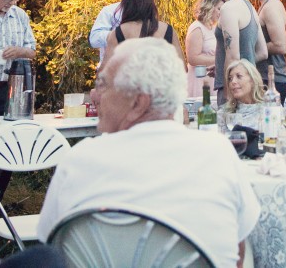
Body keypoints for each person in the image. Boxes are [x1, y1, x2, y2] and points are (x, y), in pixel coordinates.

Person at [36, 38, 260, 265]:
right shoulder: (218, 153)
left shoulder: (78, 161)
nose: (94, 95)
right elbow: (237, 252)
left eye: (103, 85)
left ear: (138, 103)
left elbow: (51, 245)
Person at [214, 0, 267, 104]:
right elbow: (262, 52)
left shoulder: (229, 8)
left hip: (234, 92)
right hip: (248, 87)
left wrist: (228, 95)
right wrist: (219, 62)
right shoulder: (249, 7)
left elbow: (233, 56)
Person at [99, 0, 183, 68]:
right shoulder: (168, 30)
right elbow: (182, 67)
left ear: (126, 6)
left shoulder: (119, 32)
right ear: (151, 5)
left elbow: (104, 70)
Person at [88, 0, 159, 64]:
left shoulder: (153, 13)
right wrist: (120, 35)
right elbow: (94, 39)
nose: (145, 2)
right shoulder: (110, 11)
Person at [246, 0, 286, 104]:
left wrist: (250, 49)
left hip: (272, 80)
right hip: (267, 78)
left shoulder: (271, 7)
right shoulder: (268, 5)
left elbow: (280, 45)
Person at [185, 0, 222, 98]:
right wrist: (220, 59)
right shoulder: (197, 28)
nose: (221, 12)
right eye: (219, 8)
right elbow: (193, 58)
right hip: (199, 80)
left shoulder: (214, 28)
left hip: (212, 79)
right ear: (209, 7)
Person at [220, 59, 265, 130]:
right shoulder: (224, 113)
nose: (233, 82)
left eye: (239, 76)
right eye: (230, 79)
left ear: (252, 80)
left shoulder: (270, 108)